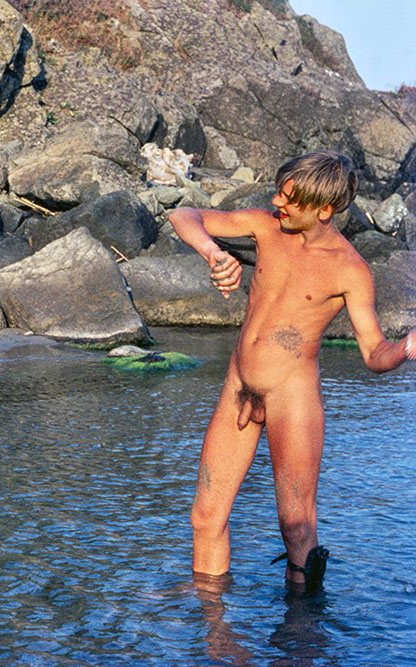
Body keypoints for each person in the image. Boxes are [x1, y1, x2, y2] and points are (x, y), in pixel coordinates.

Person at [169, 150, 415, 590]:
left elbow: (374, 352)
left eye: (290, 200)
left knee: (296, 526)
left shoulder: (351, 270)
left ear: (324, 210)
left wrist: (406, 348)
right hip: (238, 389)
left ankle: (302, 635)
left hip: (293, 401)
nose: (278, 204)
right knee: (206, 516)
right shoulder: (265, 226)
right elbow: (185, 214)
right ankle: (212, 628)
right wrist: (212, 254)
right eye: (279, 195)